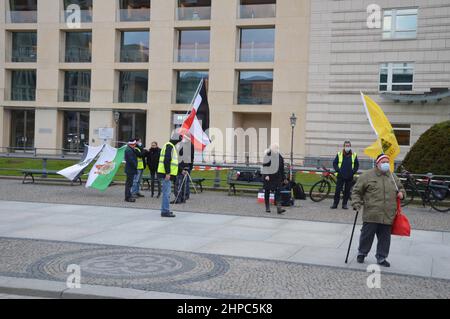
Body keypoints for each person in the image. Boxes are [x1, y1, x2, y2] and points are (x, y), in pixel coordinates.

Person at [351, 154, 405, 267]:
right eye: (383, 162)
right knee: (367, 235)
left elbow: (401, 188)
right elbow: (356, 191)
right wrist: (356, 203)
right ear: (377, 163)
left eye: (387, 162)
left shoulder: (392, 176)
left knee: (385, 238)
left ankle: (381, 257)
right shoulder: (367, 175)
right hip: (372, 213)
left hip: (388, 214)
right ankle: (362, 253)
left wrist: (402, 194)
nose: (386, 164)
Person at [158, 132, 182, 218]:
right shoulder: (170, 146)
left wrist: (181, 170)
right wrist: (167, 173)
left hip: (166, 173)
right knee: (166, 193)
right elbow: (166, 161)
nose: (178, 143)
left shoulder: (170, 146)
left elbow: (173, 162)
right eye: (178, 141)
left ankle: (166, 209)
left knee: (167, 193)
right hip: (166, 174)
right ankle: (165, 211)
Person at [331, 141, 359, 210]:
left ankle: (344, 204)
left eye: (349, 146)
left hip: (349, 176)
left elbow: (356, 165)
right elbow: (335, 163)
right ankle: (335, 204)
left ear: (350, 146)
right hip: (341, 176)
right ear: (344, 146)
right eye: (346, 146)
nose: (347, 147)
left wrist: (353, 172)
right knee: (337, 191)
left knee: (347, 191)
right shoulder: (339, 154)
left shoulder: (354, 155)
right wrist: (338, 170)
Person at [261, 144, 286, 215]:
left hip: (277, 177)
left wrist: (284, 178)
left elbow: (282, 168)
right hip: (268, 177)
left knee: (278, 192)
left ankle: (279, 208)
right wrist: (266, 175)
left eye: (277, 148)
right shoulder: (267, 156)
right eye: (275, 148)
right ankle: (267, 207)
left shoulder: (280, 157)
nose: (276, 150)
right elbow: (265, 166)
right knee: (267, 192)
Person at [173, 139, 194, 204]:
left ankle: (179, 198)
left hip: (182, 166)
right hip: (186, 166)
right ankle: (183, 197)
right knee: (184, 183)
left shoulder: (186, 146)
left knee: (179, 183)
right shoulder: (189, 145)